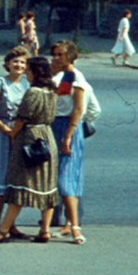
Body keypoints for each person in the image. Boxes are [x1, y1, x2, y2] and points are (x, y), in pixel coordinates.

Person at [0, 55, 60, 244]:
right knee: (47, 185)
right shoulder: (51, 91)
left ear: (34, 72)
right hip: (47, 138)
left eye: (28, 69)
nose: (25, 71)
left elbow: (21, 118)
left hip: (30, 138)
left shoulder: (32, 92)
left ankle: (2, 229)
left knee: (19, 184)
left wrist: (13, 135)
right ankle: (44, 230)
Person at [0, 47, 30, 242]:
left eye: (23, 63)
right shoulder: (0, 84)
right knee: (1, 179)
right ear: (8, 64)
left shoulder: (27, 85)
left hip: (22, 134)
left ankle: (10, 224)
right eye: (15, 62)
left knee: (16, 180)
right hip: (4, 134)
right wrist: (7, 130)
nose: (19, 66)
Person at [50, 40, 88, 245]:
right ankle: (59, 225)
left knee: (67, 179)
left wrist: (68, 136)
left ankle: (74, 226)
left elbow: (78, 109)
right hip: (53, 126)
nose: (56, 58)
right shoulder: (57, 76)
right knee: (54, 178)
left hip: (69, 128)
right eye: (54, 54)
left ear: (71, 56)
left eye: (60, 55)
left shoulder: (77, 78)